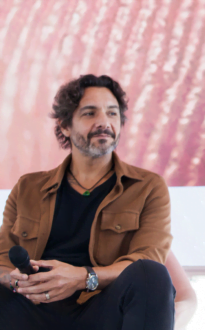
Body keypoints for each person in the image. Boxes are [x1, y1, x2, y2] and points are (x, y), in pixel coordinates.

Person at [0, 74, 179, 329]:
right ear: (65, 126)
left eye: (112, 113)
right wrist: (16, 280)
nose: (104, 122)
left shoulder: (148, 187)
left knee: (151, 274)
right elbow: (3, 261)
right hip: (33, 310)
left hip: (100, 310)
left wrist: (82, 277)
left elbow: (147, 257)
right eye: (90, 113)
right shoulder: (28, 186)